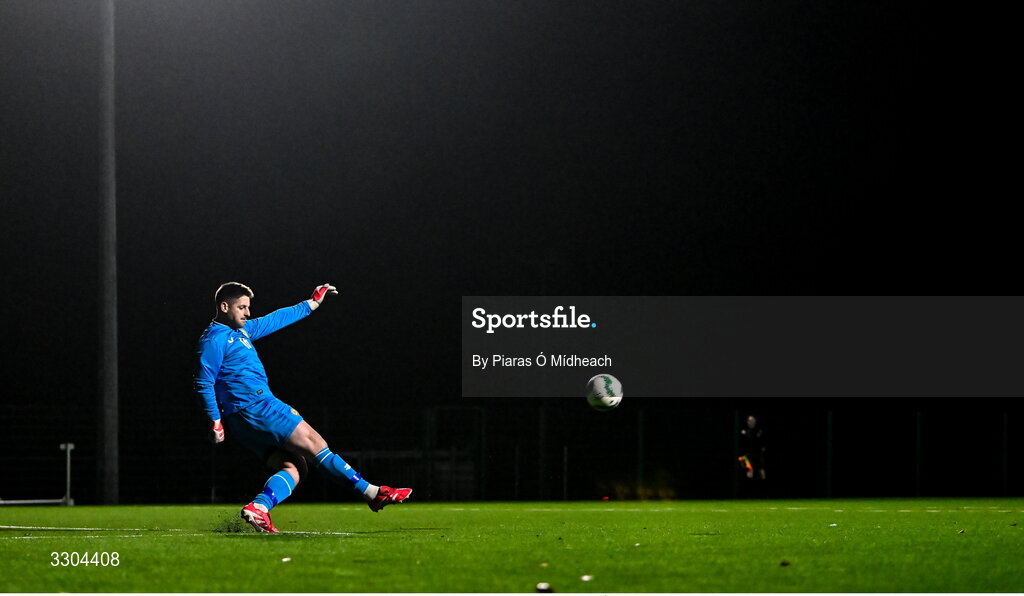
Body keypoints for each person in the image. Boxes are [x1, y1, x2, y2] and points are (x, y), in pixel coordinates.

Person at [194, 281, 411, 533]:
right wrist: (214, 419)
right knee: (316, 445)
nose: (247, 312)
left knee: (295, 467)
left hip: (243, 420)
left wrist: (312, 303)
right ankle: (373, 493)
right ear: (224, 306)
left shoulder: (241, 331)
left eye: (248, 307)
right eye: (241, 307)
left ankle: (259, 508)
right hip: (258, 407)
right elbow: (203, 380)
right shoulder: (214, 339)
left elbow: (276, 318)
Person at [738, 414, 766, 497]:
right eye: (750, 420)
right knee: (749, 471)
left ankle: (763, 493)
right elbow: (741, 444)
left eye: (753, 420)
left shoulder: (759, 431)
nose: (752, 422)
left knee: (761, 472)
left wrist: (762, 447)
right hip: (744, 456)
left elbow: (762, 442)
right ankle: (746, 493)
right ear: (747, 422)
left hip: (757, 454)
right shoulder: (743, 431)